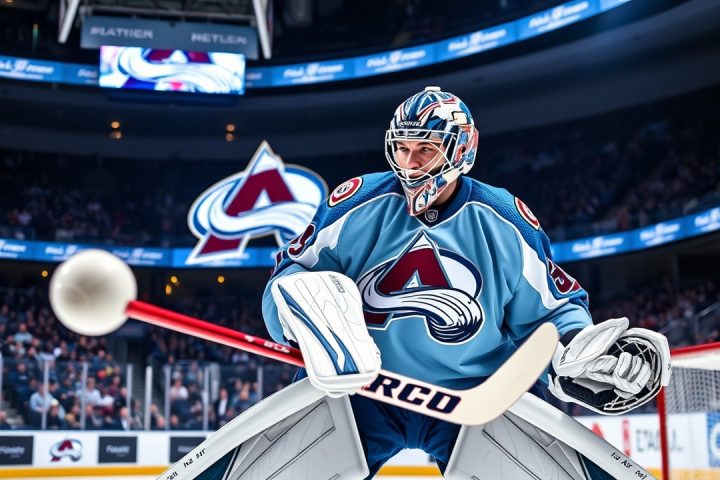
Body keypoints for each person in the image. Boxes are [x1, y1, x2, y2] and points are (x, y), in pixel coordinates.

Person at [255, 87, 670, 479]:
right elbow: (288, 274)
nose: (410, 162)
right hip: (359, 391)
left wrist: (577, 349)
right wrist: (294, 303)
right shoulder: (357, 202)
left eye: (426, 149)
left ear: (460, 149)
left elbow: (553, 311)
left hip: (475, 395)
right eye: (402, 148)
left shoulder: (504, 219)